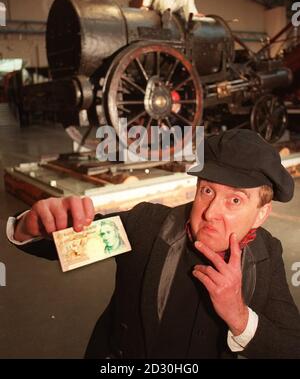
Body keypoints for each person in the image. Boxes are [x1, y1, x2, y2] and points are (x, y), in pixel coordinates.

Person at [7, 129, 300, 358]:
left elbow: (291, 346)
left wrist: (239, 316)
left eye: (234, 200)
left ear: (261, 213)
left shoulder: (267, 253)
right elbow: (61, 243)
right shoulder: (146, 225)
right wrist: (31, 225)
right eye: (207, 190)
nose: (211, 212)